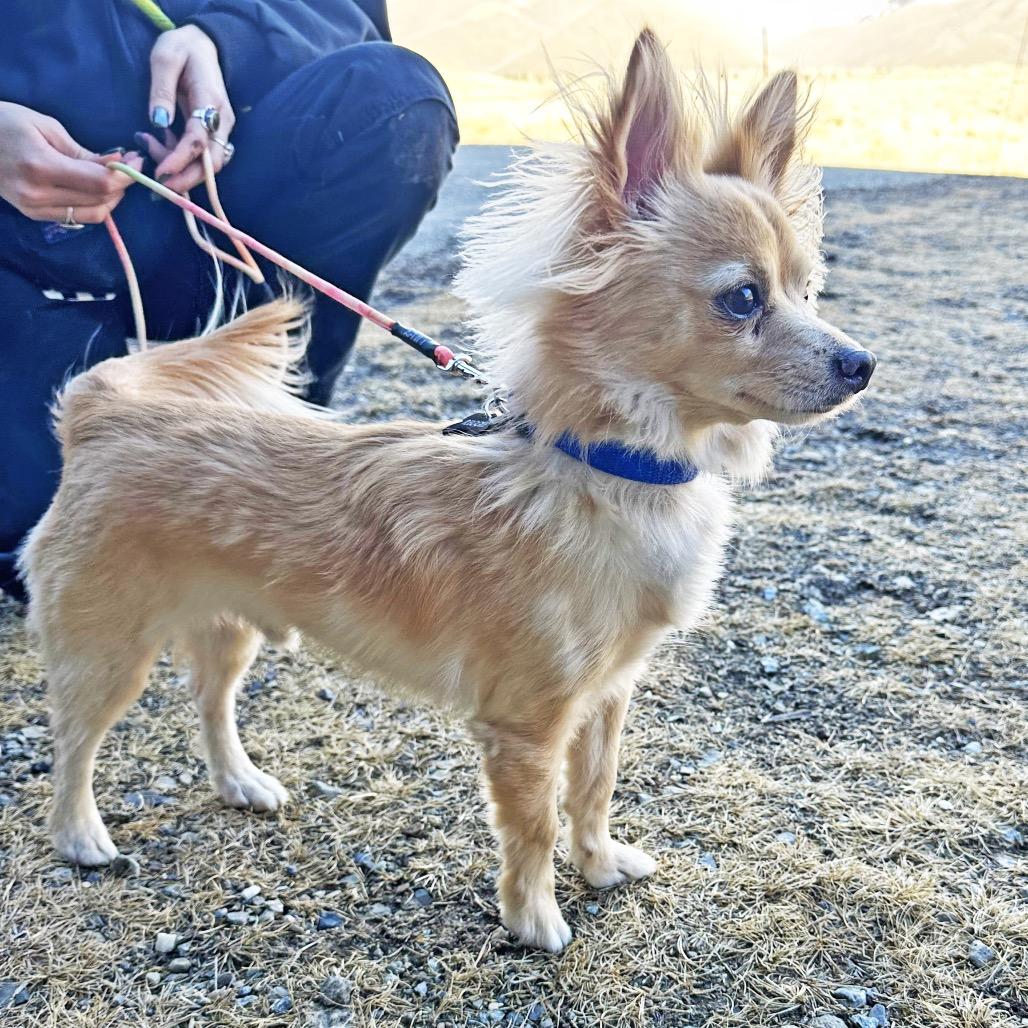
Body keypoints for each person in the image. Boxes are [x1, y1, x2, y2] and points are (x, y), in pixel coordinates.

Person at [0, 0, 458, 601]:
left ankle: (276, 424)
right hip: (16, 260)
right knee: (56, 549)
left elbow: (346, 14)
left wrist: (229, 42)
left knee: (394, 94)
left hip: (212, 207)